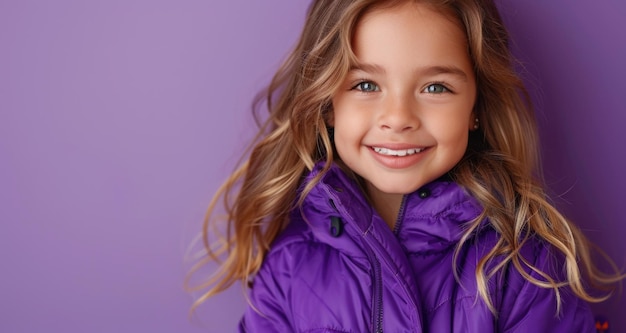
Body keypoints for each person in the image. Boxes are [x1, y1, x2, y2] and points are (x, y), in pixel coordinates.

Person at [189, 0, 624, 331]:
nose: (398, 117)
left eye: (435, 86)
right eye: (365, 84)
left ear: (477, 106)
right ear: (326, 103)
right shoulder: (289, 268)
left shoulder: (522, 267)